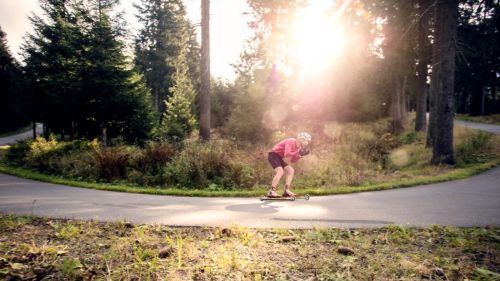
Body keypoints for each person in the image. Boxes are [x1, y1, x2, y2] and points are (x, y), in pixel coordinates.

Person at [267, 132, 311, 197]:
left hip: (279, 157)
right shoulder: (291, 141)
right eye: (306, 141)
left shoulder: (298, 148)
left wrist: (300, 155)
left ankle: (286, 191)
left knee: (291, 170)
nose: (306, 143)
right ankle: (272, 191)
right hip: (273, 154)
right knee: (280, 171)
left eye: (307, 141)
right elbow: (287, 154)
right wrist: (297, 152)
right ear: (301, 139)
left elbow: (293, 160)